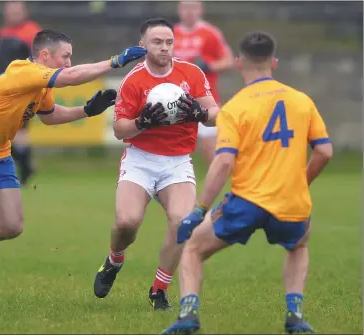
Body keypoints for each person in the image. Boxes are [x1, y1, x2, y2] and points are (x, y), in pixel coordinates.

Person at [0, 29, 147, 308]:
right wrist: (115, 61)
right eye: (65, 56)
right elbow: (70, 77)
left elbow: (50, 116)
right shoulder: (22, 70)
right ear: (44, 55)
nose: (68, 62)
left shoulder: (41, 88)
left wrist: (86, 111)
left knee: (12, 226)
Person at [162, 31, 333, 334]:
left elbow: (224, 161)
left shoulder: (235, 107)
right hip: (290, 201)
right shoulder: (301, 100)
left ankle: (188, 314)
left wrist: (200, 209)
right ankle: (295, 315)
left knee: (192, 248)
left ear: (239, 63)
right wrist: (301, 183)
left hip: (246, 202)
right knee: (299, 243)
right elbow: (324, 151)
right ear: (274, 62)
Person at [93, 18, 220, 310]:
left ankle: (159, 289)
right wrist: (143, 122)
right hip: (141, 159)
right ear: (143, 45)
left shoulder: (191, 73)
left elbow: (216, 114)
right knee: (127, 222)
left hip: (177, 162)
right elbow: (120, 129)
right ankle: (115, 259)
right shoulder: (133, 80)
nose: (164, 48)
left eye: (169, 42)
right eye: (157, 42)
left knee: (181, 222)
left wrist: (200, 113)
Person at [174, 0, 233, 166]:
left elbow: (228, 61)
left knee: (212, 151)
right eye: (185, 7)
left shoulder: (210, 33)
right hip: (175, 100)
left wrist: (209, 66)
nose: (189, 11)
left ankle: (220, 187)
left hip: (205, 99)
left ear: (200, 9)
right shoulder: (170, 34)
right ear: (179, 9)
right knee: (173, 151)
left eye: (193, 7)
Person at [0, 1, 42, 186]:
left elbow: (39, 60)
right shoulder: (4, 32)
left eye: (16, 11)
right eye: (9, 11)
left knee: (16, 131)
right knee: (10, 132)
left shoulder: (32, 32)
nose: (12, 14)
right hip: (2, 89)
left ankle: (24, 168)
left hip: (21, 90)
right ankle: (25, 167)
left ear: (25, 12)